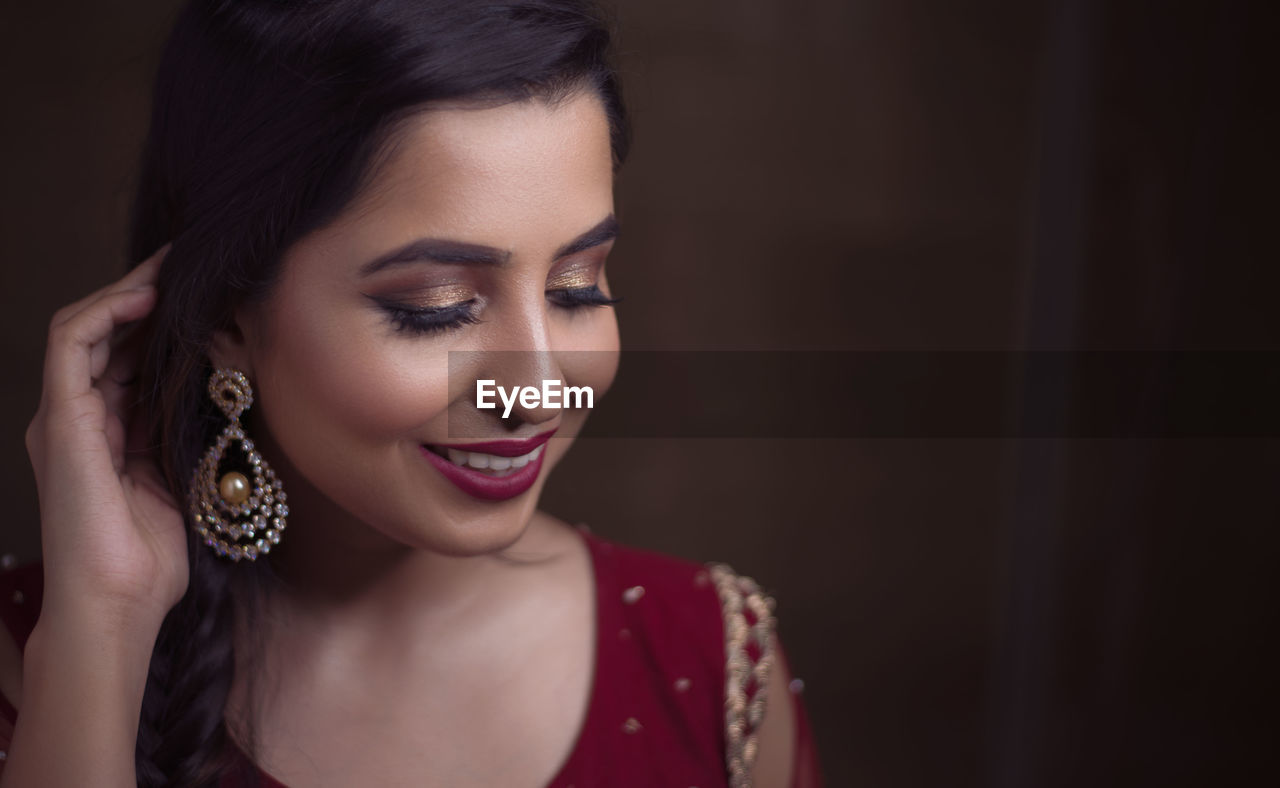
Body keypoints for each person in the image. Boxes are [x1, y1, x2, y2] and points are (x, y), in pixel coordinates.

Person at [0, 1, 822, 785]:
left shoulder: (710, 658)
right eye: (436, 310)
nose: (536, 393)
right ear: (225, 316)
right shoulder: (39, 656)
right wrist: (101, 631)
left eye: (576, 288)